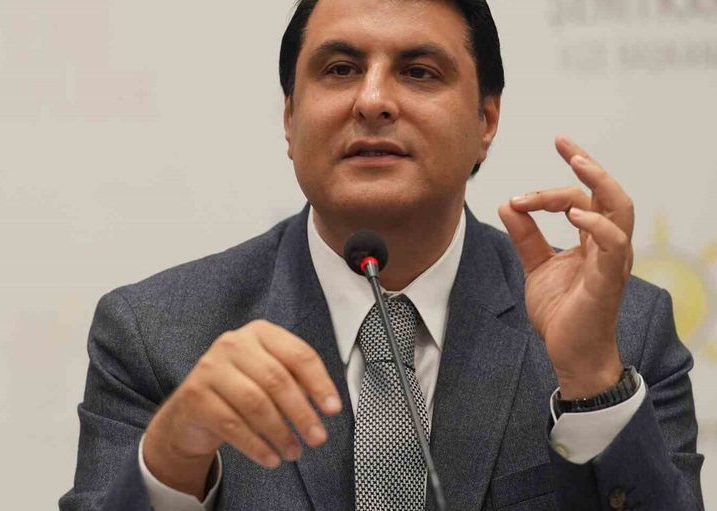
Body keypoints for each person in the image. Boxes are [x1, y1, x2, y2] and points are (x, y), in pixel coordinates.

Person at [60, 0, 704, 509]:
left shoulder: (623, 329)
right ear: (289, 117)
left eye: (419, 72)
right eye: (340, 69)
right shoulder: (157, 333)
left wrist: (592, 380)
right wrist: (175, 458)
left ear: (486, 121)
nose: (372, 101)